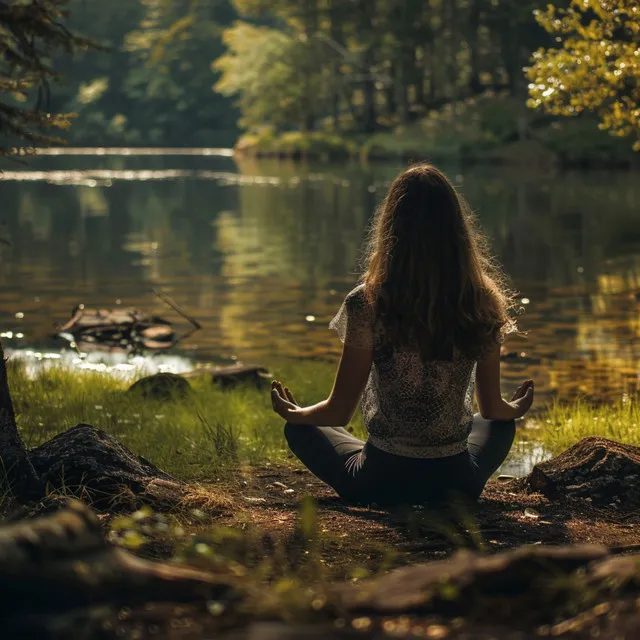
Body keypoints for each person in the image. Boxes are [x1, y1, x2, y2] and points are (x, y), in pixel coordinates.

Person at [271, 164, 534, 506]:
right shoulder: (480, 300)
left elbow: (337, 413)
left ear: (391, 226)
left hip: (379, 480)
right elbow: (493, 408)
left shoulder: (365, 303)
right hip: (456, 483)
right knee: (500, 426)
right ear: (456, 229)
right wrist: (517, 407)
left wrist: (295, 414)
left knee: (301, 430)